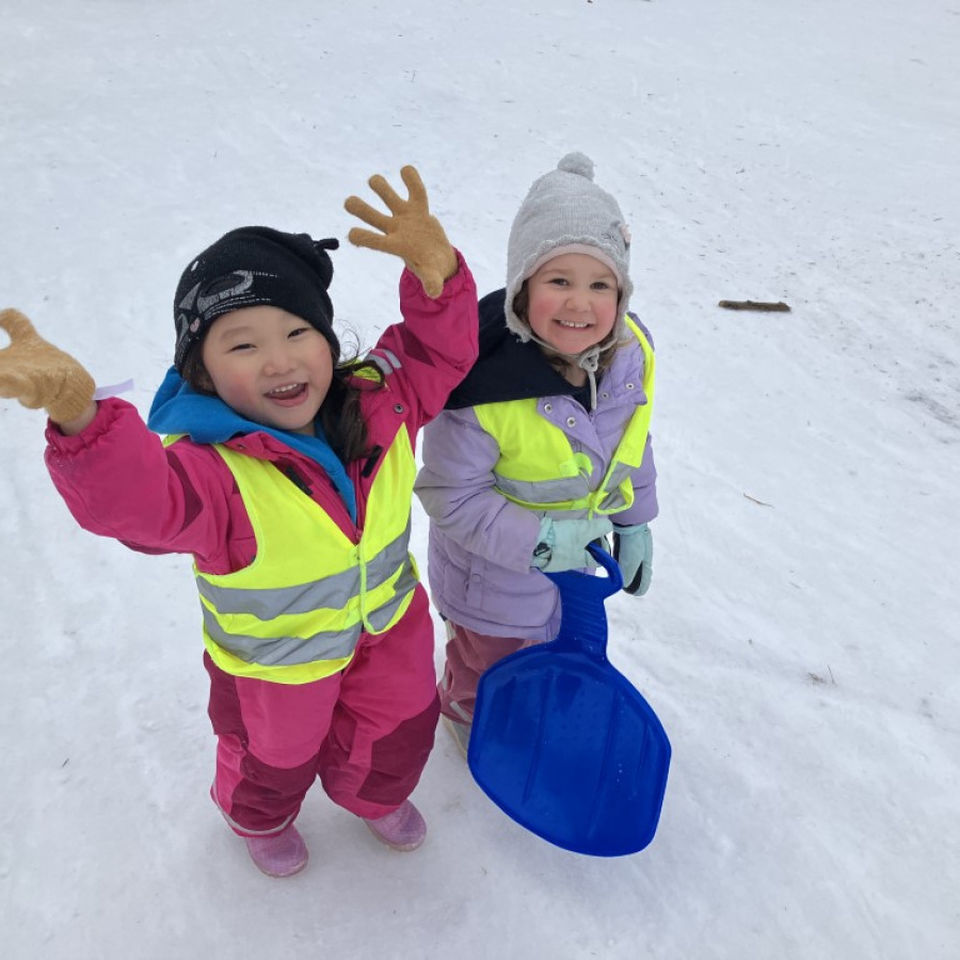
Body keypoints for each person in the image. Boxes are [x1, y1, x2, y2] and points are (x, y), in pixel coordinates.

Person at [0, 165, 478, 877]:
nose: (280, 360)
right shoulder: (214, 474)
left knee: (400, 729)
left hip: (389, 636)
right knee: (270, 759)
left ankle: (372, 794)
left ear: (326, 338)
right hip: (273, 673)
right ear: (204, 373)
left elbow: (438, 350)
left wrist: (439, 278)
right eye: (242, 345)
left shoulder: (386, 401)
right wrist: (81, 416)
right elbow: (138, 503)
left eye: (296, 331)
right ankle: (261, 817)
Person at [414, 152, 657, 755]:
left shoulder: (628, 356)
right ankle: (467, 722)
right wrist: (542, 541)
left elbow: (631, 441)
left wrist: (635, 524)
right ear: (523, 286)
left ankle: (530, 712)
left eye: (601, 284)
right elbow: (450, 496)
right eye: (559, 281)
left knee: (550, 650)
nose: (581, 304)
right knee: (484, 666)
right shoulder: (480, 386)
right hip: (490, 579)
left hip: (576, 568)